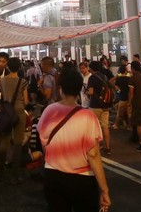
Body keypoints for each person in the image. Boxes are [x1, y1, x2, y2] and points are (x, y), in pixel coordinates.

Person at [38, 68, 110, 212]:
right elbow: (94, 154)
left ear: (60, 89)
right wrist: (104, 190)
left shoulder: (49, 111)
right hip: (82, 179)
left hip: (53, 175)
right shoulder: (87, 116)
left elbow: (44, 143)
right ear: (79, 89)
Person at [0, 56, 28, 183]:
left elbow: (3, 97)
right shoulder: (22, 82)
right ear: (19, 67)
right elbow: (26, 100)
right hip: (19, 112)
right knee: (18, 142)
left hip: (7, 113)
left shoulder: (2, 80)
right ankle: (15, 174)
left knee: (4, 140)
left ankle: (0, 171)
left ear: (8, 66)